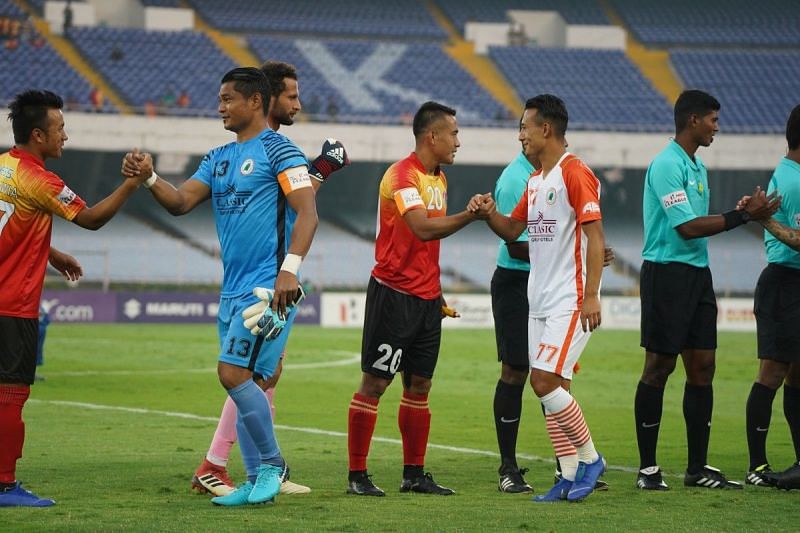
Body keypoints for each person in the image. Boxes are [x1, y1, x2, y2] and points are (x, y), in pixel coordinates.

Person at [123, 67, 342, 507]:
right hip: (232, 287)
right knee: (252, 382)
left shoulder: (282, 151)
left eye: (227, 99)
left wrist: (289, 271)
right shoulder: (218, 156)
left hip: (267, 288)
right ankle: (258, 476)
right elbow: (182, 202)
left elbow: (308, 213)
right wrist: (148, 178)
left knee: (232, 374)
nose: (220, 106)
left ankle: (270, 467)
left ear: (254, 102)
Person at [191, 60, 347, 498]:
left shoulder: (278, 150)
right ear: (267, 98)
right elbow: (297, 202)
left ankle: (250, 469)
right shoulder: (264, 149)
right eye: (292, 96)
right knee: (245, 375)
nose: (298, 103)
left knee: (259, 373)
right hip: (266, 280)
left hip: (277, 275)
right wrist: (324, 170)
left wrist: (318, 171)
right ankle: (228, 465)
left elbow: (294, 200)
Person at [0, 89, 146, 507]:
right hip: (12, 305)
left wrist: (51, 253)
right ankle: (5, 485)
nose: (65, 135)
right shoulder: (40, 179)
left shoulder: (4, 168)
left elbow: (11, 227)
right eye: (60, 129)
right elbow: (92, 219)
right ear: (38, 135)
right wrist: (133, 183)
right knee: (10, 395)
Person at [635, 89, 780, 491]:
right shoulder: (666, 164)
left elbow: (704, 223)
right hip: (666, 273)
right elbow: (686, 227)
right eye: (713, 120)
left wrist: (740, 212)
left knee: (703, 369)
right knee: (659, 368)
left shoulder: (696, 167)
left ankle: (697, 469)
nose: (718, 127)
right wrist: (742, 216)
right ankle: (648, 470)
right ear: (693, 120)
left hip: (697, 274)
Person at [346, 101, 492, 497]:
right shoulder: (401, 176)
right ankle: (357, 476)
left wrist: (437, 293)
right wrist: (469, 215)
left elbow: (427, 249)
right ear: (433, 136)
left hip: (427, 301)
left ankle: (413, 475)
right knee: (376, 382)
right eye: (454, 133)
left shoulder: (438, 178)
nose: (458, 141)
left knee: (420, 385)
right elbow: (422, 230)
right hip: (394, 295)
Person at [479, 94, 607, 502]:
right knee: (556, 387)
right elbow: (513, 228)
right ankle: (568, 475)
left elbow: (595, 235)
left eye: (524, 127)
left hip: (569, 299)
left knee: (543, 381)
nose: (521, 136)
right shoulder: (535, 181)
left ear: (545, 129)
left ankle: (590, 459)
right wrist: (486, 213)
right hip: (538, 299)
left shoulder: (575, 173)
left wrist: (590, 296)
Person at [744, 103, 800, 491]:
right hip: (785, 282)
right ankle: (757, 465)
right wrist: (761, 218)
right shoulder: (792, 180)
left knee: (798, 375)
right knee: (773, 372)